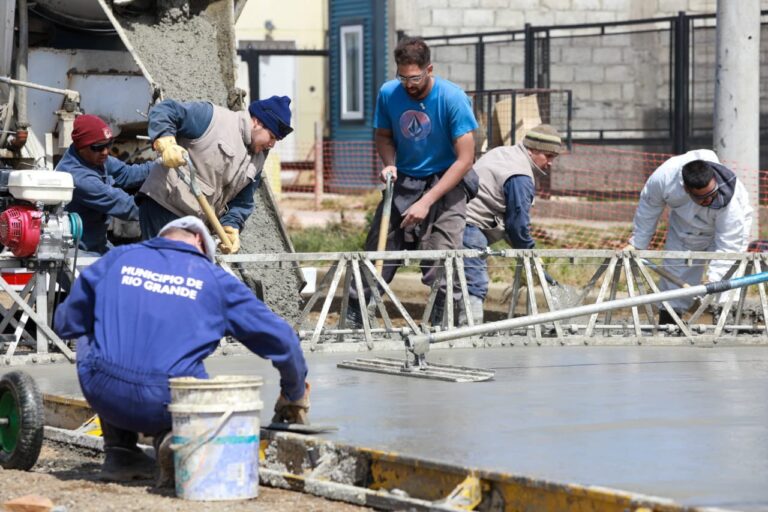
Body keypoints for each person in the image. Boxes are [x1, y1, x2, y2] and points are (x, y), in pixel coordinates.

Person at [53, 216, 309, 485]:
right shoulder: (216, 280)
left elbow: (65, 323)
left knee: (90, 332)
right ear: (199, 240)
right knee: (188, 373)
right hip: (171, 402)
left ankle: (121, 455)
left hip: (103, 391)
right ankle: (175, 440)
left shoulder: (117, 258)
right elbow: (284, 340)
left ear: (165, 236)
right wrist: (295, 392)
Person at [347, 36, 478, 327]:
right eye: (403, 77)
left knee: (441, 254)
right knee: (379, 250)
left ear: (429, 69)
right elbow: (383, 136)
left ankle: (444, 323)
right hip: (405, 179)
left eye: (415, 77)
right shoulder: (389, 93)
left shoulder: (452, 98)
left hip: (446, 181)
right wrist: (389, 164)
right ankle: (354, 317)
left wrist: (427, 201)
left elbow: (465, 159)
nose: (409, 84)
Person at [137, 96, 293, 253]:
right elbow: (166, 109)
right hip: (164, 205)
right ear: (257, 122)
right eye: (272, 137)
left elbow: (243, 200)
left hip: (195, 222)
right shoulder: (213, 119)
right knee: (164, 270)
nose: (272, 144)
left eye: (276, 140)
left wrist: (231, 224)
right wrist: (166, 142)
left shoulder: (259, 157)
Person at [625, 149, 753, 322]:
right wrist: (637, 243)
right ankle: (669, 321)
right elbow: (649, 208)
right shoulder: (663, 179)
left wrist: (714, 279)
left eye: (712, 194)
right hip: (686, 226)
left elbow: (728, 245)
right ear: (686, 189)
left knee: (727, 278)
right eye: (703, 198)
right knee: (676, 269)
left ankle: (726, 321)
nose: (709, 201)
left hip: (729, 228)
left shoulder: (730, 200)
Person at [461, 125, 563, 324]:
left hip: (456, 217)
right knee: (474, 280)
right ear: (532, 150)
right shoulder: (521, 176)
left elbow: (509, 221)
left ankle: (445, 325)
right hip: (470, 224)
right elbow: (517, 224)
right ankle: (468, 331)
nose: (550, 163)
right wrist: (529, 251)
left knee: (453, 276)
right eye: (548, 156)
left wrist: (521, 246)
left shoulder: (503, 152)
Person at [57, 114, 152, 255]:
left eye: (108, 144)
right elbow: (125, 206)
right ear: (81, 146)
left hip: (99, 243)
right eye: (99, 147)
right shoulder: (78, 177)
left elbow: (127, 174)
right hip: (79, 250)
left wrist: (162, 165)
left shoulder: (94, 157)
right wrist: (166, 213)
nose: (106, 152)